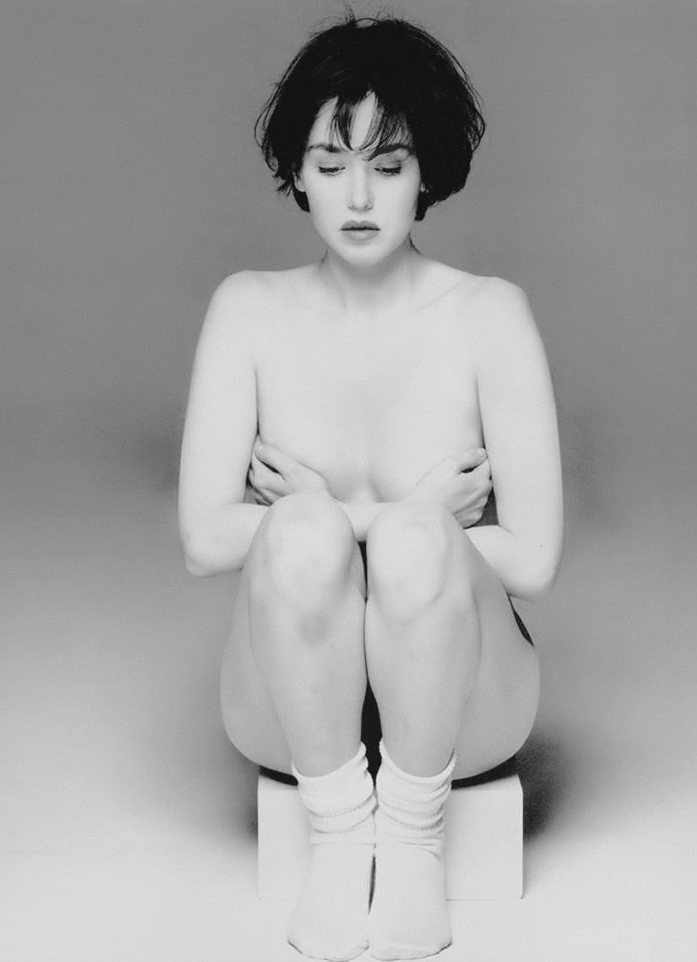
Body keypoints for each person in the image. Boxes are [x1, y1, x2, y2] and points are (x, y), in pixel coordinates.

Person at [178, 14, 562, 962]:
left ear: (426, 172)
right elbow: (202, 537)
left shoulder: (489, 315)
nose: (358, 196)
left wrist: (395, 527)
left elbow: (535, 560)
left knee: (411, 540)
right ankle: (343, 835)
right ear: (297, 172)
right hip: (287, 707)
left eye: (387, 166)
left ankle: (416, 842)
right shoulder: (248, 309)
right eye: (330, 163)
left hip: (468, 707)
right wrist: (373, 515)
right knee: (312, 532)